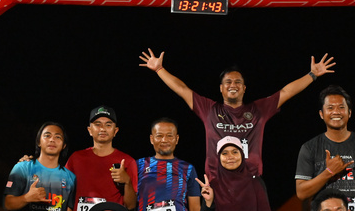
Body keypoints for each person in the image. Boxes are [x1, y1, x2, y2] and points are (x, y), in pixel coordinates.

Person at [139, 48, 335, 178]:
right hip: (216, 182)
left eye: (238, 82)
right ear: (221, 88)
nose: (233, 85)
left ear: (244, 88)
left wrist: (312, 75)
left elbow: (286, 92)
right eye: (228, 82)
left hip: (250, 181)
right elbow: (182, 89)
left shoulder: (258, 110)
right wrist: (159, 69)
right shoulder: (209, 109)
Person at [65, 106, 137, 211]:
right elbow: (64, 196)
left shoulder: (127, 161)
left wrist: (127, 181)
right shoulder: (76, 158)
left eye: (108, 125)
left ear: (115, 131)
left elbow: (130, 206)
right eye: (98, 124)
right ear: (89, 130)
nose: (103, 129)